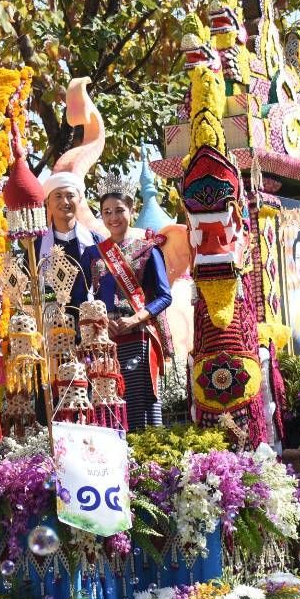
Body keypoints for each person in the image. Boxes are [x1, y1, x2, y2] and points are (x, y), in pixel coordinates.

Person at [91, 177, 173, 431]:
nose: (113, 218)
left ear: (132, 209)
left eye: (119, 210)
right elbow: (85, 297)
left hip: (139, 335)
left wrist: (135, 319)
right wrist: (100, 323)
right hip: (106, 341)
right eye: (107, 212)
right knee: (111, 404)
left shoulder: (148, 250)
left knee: (141, 405)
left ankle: (148, 453)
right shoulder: (93, 254)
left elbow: (164, 296)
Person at [37, 172, 103, 312]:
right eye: (58, 196)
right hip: (50, 319)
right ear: (48, 202)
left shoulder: (96, 242)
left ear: (79, 200)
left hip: (90, 318)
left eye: (70, 196)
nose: (65, 202)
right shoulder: (37, 245)